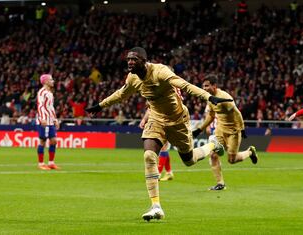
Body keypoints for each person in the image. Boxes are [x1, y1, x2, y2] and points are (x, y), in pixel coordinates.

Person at [86, 47, 231, 221]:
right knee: (149, 156)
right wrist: (100, 106)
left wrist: (208, 97)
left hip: (178, 120)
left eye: (134, 59)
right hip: (156, 119)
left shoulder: (160, 71)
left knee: (189, 160)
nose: (130, 62)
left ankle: (213, 144)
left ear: (144, 60)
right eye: (128, 59)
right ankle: (156, 206)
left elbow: (185, 85)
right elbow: (121, 94)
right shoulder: (132, 78)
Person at [192, 75, 258, 191]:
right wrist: (199, 129)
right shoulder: (210, 98)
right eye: (203, 86)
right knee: (213, 154)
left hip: (233, 131)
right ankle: (220, 183)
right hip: (220, 129)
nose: (204, 88)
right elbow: (211, 116)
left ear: (214, 86)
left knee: (231, 160)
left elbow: (237, 113)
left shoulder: (224, 98)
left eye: (207, 85)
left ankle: (250, 152)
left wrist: (242, 129)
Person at [139, 109, 174, 181]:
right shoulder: (155, 100)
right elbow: (149, 109)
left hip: (165, 122)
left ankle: (158, 173)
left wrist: (144, 119)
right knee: (164, 148)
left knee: (163, 147)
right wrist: (144, 119)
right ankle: (169, 172)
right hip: (159, 122)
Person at [36, 74, 60, 170]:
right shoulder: (42, 92)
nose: (53, 81)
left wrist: (55, 120)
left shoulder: (50, 93)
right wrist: (42, 118)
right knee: (42, 141)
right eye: (51, 79)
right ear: (45, 81)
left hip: (50, 121)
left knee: (54, 140)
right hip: (43, 120)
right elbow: (40, 106)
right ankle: (41, 164)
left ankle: (51, 163)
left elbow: (51, 107)